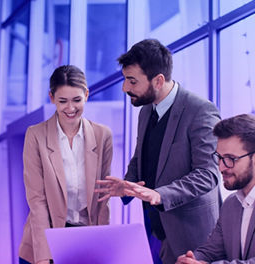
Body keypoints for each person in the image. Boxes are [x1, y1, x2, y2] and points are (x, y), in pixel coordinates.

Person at [95, 39, 221, 264]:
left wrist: (161, 194)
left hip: (192, 237)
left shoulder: (201, 110)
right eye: (125, 80)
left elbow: (208, 174)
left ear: (158, 80)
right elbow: (141, 157)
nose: (125, 88)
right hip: (155, 230)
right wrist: (127, 185)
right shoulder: (145, 111)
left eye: (132, 81)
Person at [18, 65, 113, 264]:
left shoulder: (102, 135)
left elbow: (104, 199)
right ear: (52, 98)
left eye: (77, 100)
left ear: (87, 95)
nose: (70, 108)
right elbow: (37, 201)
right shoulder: (35, 135)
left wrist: (104, 248)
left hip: (85, 240)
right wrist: (44, 258)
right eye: (63, 101)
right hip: (45, 239)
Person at [176, 114, 255, 264]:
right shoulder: (231, 204)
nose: (221, 167)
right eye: (219, 157)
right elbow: (211, 250)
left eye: (231, 159)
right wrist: (193, 260)